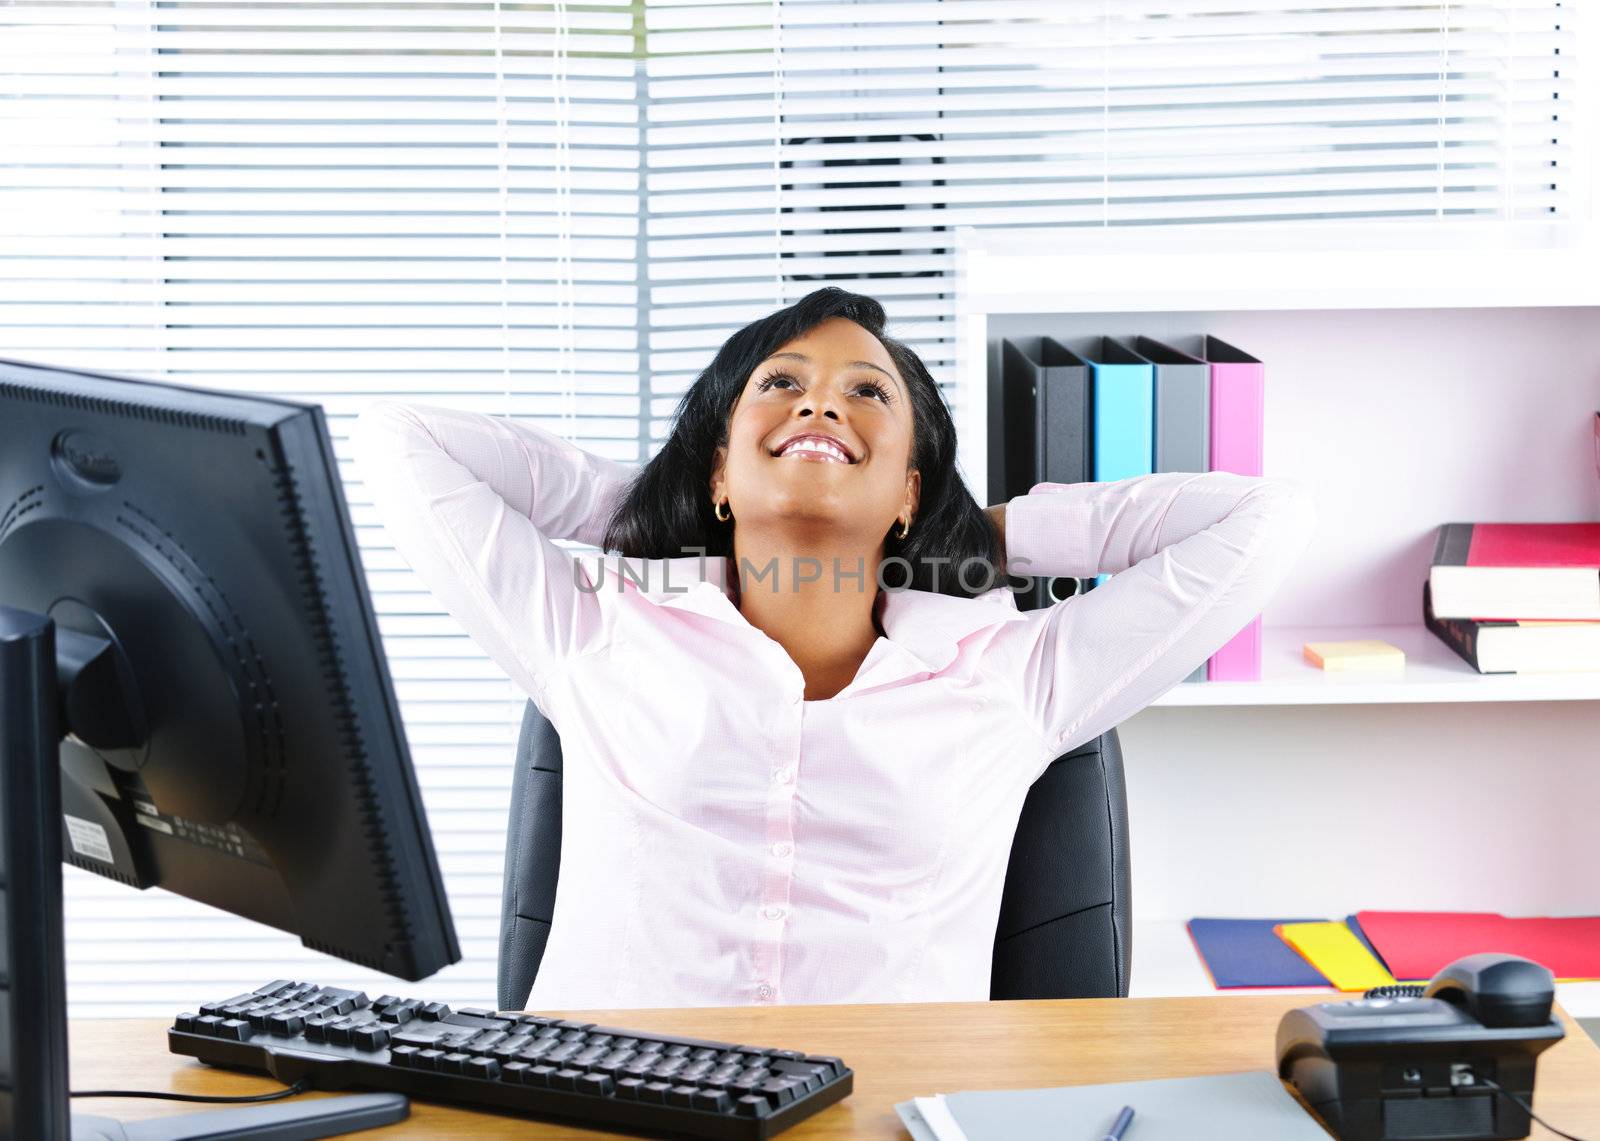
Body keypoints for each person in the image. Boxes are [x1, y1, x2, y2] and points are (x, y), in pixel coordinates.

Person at [353, 286, 1316, 1010]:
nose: (820, 406)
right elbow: (401, 440)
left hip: (883, 1114)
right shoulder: (592, 631)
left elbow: (1257, 520)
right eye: (779, 386)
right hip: (614, 1108)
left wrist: (985, 535)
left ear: (909, 489)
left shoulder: (1016, 676)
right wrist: (662, 506)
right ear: (718, 466)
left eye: (868, 393)